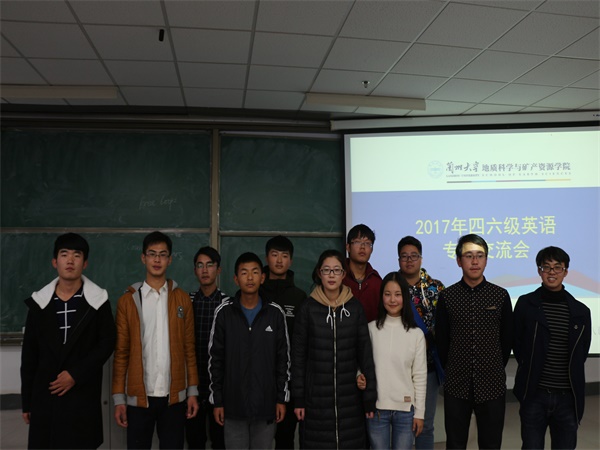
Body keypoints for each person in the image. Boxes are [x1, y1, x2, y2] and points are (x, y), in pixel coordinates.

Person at [20, 233, 116, 449]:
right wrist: (27, 401)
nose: (70, 260)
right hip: (46, 397)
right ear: (55, 262)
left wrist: (75, 374)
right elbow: (30, 355)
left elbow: (107, 343)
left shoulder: (98, 301)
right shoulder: (39, 303)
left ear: (85, 263)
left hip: (81, 395)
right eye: (64, 254)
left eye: (77, 255)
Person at [112, 231, 199, 449]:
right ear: (143, 258)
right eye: (152, 254)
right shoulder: (128, 301)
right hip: (139, 398)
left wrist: (192, 392)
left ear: (170, 259)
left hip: (174, 398)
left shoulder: (182, 299)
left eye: (162, 254)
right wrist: (119, 398)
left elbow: (189, 349)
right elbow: (121, 353)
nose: (157, 259)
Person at [293, 249, 377, 449]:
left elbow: (365, 355)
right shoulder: (307, 309)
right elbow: (298, 358)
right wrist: (298, 399)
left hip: (350, 401)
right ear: (319, 273)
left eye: (336, 270)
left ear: (343, 274)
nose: (331, 275)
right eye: (326, 270)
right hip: (316, 401)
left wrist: (369, 397)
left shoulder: (355, 308)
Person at [435, 234, 512, 449]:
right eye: (469, 256)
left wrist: (493, 365)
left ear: (486, 260)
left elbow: (506, 340)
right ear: (459, 261)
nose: (475, 261)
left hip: (492, 384)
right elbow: (442, 341)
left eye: (480, 256)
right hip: (456, 384)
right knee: (455, 443)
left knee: (491, 443)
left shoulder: (500, 296)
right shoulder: (447, 297)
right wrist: (453, 367)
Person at [208, 252, 290, 449]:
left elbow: (283, 360)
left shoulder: (275, 313)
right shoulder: (224, 313)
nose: (250, 277)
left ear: (262, 277)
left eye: (255, 272)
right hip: (233, 407)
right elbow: (215, 360)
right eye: (244, 273)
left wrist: (281, 399)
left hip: (266, 407)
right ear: (236, 279)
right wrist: (217, 401)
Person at [513, 246, 591, 450]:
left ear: (565, 272)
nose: (552, 272)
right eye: (546, 267)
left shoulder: (581, 312)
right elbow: (517, 344)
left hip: (567, 398)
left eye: (557, 267)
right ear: (539, 271)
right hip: (534, 395)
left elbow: (581, 353)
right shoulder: (526, 304)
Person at [365, 271, 427, 450]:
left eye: (398, 294)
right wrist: (359, 375)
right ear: (381, 297)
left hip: (406, 411)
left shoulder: (416, 334)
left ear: (405, 297)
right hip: (376, 409)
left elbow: (420, 376)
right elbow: (362, 364)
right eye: (387, 294)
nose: (392, 300)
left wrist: (420, 413)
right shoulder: (370, 329)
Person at [397, 236, 445, 450]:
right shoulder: (392, 287)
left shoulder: (436, 288)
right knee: (400, 424)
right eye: (404, 256)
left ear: (421, 258)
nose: (409, 260)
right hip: (398, 367)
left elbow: (444, 327)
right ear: (399, 259)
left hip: (428, 367)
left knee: (425, 424)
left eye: (414, 256)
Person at [262, 235, 307, 450]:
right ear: (267, 258)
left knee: (285, 441)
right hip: (258, 382)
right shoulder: (254, 293)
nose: (279, 260)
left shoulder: (300, 297)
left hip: (289, 385)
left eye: (284, 256)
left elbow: (303, 343)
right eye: (274, 255)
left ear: (291, 260)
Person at [185, 246, 228, 450]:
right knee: (195, 441)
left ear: (218, 270)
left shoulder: (229, 304)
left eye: (210, 265)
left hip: (220, 387)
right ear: (195, 270)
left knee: (220, 441)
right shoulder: (186, 302)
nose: (204, 270)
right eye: (200, 265)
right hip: (192, 385)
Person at [342, 224, 382, 322]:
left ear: (372, 250)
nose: (363, 247)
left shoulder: (377, 281)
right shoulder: (339, 277)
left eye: (367, 243)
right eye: (357, 242)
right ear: (348, 247)